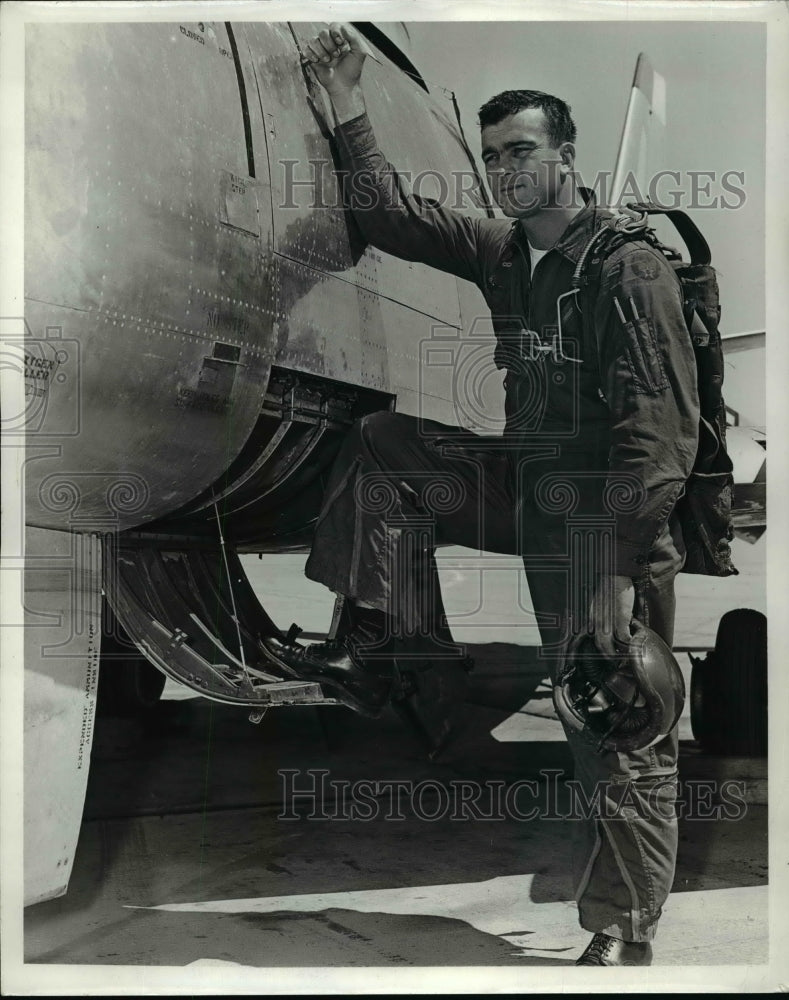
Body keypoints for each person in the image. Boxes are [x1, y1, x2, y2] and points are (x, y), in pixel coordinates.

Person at [264, 23, 700, 967]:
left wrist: (618, 580)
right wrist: (346, 105)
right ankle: (385, 640)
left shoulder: (626, 269)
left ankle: (624, 927)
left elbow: (660, 441)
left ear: (565, 159)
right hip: (525, 485)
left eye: (523, 154)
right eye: (494, 156)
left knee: (613, 724)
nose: (505, 171)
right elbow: (388, 216)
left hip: (599, 527)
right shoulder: (506, 254)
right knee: (386, 443)